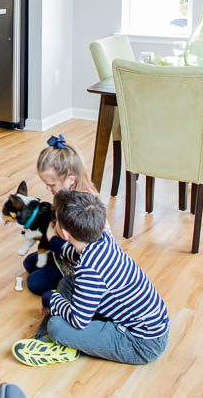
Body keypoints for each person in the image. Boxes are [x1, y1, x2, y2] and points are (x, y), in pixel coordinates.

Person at [11, 190, 170, 367]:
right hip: (147, 325)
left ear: (66, 234)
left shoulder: (90, 270)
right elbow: (72, 253)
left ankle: (49, 341)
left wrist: (50, 298)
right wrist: (53, 241)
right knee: (68, 282)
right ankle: (63, 334)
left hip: (140, 343)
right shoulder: (103, 239)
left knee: (57, 326)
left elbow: (78, 320)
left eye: (55, 221)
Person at [22, 135, 101, 296]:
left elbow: (80, 253)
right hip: (66, 250)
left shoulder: (81, 209)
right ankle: (56, 264)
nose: (48, 188)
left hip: (79, 263)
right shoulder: (68, 193)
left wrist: (52, 239)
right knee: (29, 263)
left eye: (51, 184)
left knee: (34, 283)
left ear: (70, 180)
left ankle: (68, 287)